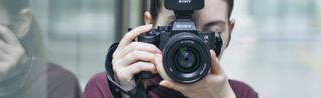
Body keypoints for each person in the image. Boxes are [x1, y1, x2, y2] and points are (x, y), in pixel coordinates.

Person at [83, 0, 258, 98]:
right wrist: (128, 93)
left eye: (211, 31)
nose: (189, 42)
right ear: (149, 26)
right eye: (175, 27)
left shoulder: (242, 94)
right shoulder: (105, 88)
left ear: (230, 31)